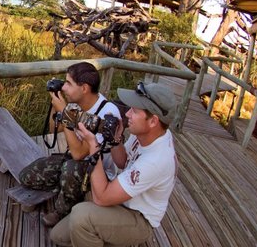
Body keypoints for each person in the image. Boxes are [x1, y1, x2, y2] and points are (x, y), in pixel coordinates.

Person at [50, 81, 178, 246]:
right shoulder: (149, 134)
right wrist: (116, 140)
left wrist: (93, 146)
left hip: (138, 218)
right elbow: (124, 162)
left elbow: (102, 198)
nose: (127, 115)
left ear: (153, 121)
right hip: (123, 200)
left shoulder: (157, 160)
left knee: (81, 217)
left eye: (135, 111)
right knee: (58, 236)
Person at [19, 62, 122, 227]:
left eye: (68, 83)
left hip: (98, 171)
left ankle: (63, 210)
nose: (64, 87)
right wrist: (57, 106)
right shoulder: (75, 103)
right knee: (26, 176)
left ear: (84, 88)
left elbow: (79, 154)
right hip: (72, 161)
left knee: (71, 168)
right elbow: (55, 129)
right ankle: (67, 186)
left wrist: (66, 114)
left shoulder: (107, 114)